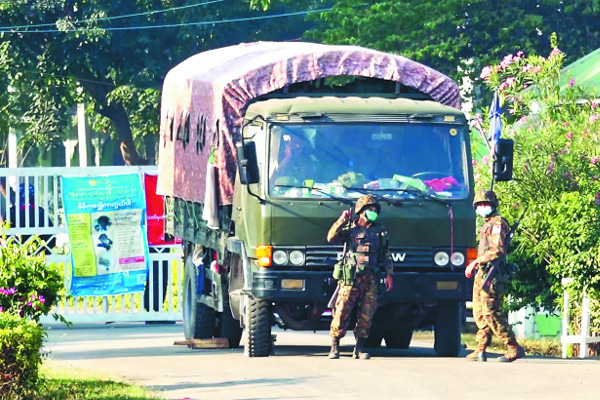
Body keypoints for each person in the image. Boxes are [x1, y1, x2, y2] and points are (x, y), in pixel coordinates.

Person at [326, 194, 394, 359]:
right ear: (361, 211)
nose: (373, 212)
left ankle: (360, 348)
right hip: (351, 277)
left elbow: (385, 253)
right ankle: (335, 346)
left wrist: (389, 274)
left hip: (371, 277)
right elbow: (331, 237)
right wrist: (341, 220)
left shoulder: (380, 230)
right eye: (370, 209)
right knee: (341, 311)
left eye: (375, 210)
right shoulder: (350, 229)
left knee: (366, 313)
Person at [464, 189, 525, 362]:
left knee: (491, 311)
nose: (482, 207)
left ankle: (513, 346)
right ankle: (481, 348)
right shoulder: (487, 224)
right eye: (480, 204)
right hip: (482, 273)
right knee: (479, 312)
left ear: (493, 205)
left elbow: (497, 251)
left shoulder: (497, 224)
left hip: (492, 273)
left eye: (486, 204)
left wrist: (475, 263)